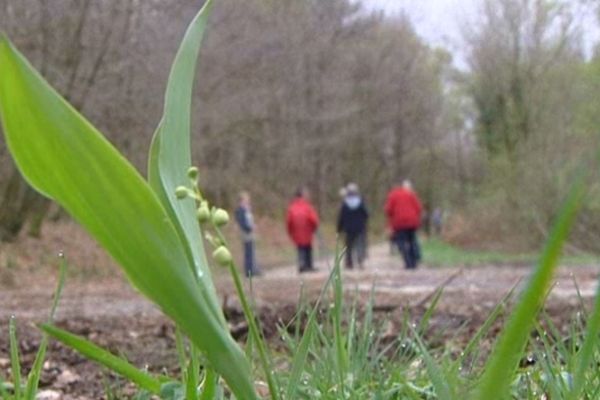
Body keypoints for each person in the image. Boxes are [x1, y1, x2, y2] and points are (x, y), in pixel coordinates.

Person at [384, 180, 423, 269]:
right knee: (412, 241)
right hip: (412, 222)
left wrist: (391, 220)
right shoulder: (411, 194)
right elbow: (419, 208)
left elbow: (388, 210)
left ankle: (408, 262)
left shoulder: (393, 195)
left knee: (401, 242)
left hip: (399, 223)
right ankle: (414, 262)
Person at [286, 187, 319, 273]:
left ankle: (301, 264)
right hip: (307, 231)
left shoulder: (292, 207)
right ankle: (308, 265)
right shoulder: (307, 206)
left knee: (300, 248)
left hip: (296, 232)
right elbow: (313, 219)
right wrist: (314, 228)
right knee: (308, 248)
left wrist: (290, 232)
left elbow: (289, 221)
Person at [337, 183, 369, 269]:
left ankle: (349, 263)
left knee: (348, 246)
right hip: (360, 227)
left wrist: (339, 229)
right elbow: (366, 214)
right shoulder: (360, 202)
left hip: (349, 228)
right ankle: (360, 260)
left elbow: (341, 217)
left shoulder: (345, 203)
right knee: (360, 244)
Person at [234, 191, 260, 277]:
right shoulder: (241, 210)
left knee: (251, 251)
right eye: (246, 199)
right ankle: (249, 271)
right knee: (248, 252)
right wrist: (250, 228)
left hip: (249, 232)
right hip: (246, 233)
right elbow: (242, 223)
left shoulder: (246, 209)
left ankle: (253, 269)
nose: (248, 201)